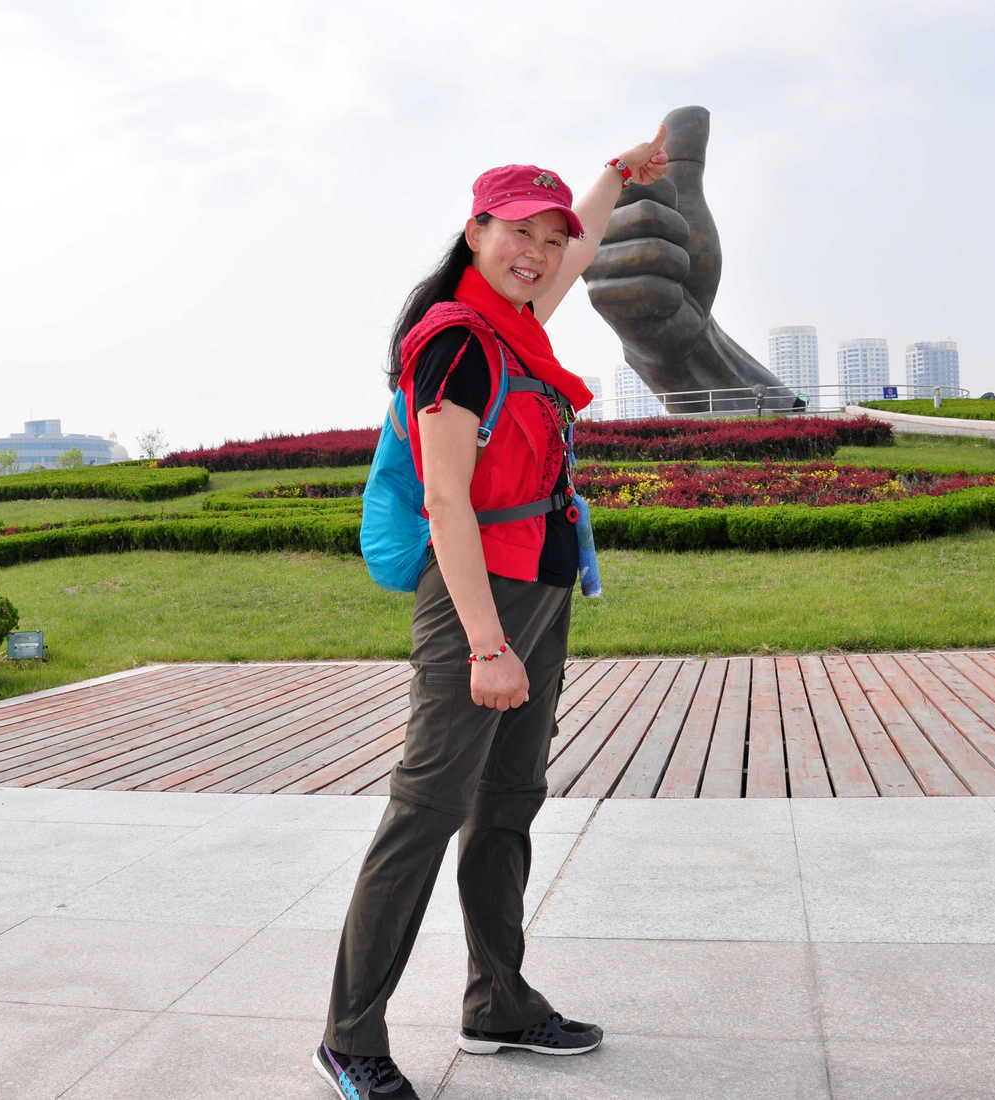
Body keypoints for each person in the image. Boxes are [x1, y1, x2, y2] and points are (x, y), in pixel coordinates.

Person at [313, 126, 671, 1100]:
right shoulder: (455, 344)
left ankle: (497, 1002)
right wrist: (484, 644)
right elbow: (445, 500)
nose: (541, 253)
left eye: (550, 239)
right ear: (475, 232)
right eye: (520, 233)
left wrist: (617, 176)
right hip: (480, 602)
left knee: (509, 801)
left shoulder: (515, 323)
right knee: (427, 810)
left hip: (541, 589)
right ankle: (350, 1035)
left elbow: (583, 252)